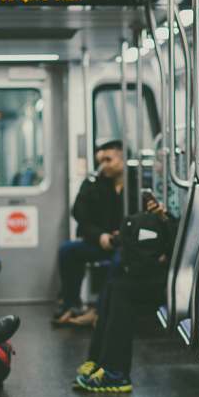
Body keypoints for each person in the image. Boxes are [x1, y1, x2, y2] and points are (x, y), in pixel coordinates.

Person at [73, 190, 177, 392]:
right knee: (114, 284)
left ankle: (116, 373)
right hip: (167, 268)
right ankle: (99, 361)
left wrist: (166, 222)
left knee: (123, 290)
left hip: (174, 275)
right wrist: (163, 219)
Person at [54, 139, 129, 326]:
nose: (103, 166)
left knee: (119, 260)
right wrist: (100, 236)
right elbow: (79, 214)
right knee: (68, 250)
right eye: (100, 161)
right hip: (103, 242)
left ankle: (100, 311)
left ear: (123, 158)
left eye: (108, 160)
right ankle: (71, 305)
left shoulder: (137, 184)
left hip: (128, 245)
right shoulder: (94, 183)